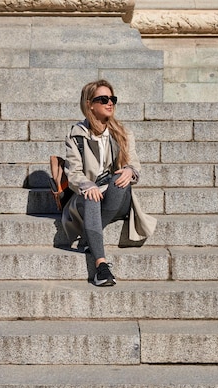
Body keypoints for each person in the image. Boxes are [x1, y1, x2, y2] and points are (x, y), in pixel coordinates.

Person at [62, 79, 157, 286]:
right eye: (103, 99)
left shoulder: (122, 133)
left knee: (119, 179)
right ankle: (101, 266)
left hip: (116, 196)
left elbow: (135, 164)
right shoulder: (76, 135)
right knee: (91, 196)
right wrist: (88, 185)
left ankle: (88, 237)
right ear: (89, 104)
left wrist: (130, 171)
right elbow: (74, 173)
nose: (110, 103)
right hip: (87, 197)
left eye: (112, 99)